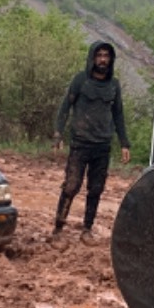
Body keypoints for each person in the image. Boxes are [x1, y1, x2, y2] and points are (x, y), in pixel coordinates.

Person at [53, 41, 131, 243]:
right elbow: (65, 107)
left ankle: (87, 230)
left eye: (106, 56)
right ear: (92, 58)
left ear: (111, 59)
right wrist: (58, 134)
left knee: (96, 189)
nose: (103, 59)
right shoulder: (81, 80)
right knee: (71, 186)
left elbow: (118, 114)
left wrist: (124, 143)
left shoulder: (113, 85)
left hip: (103, 146)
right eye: (99, 55)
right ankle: (58, 230)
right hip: (80, 144)